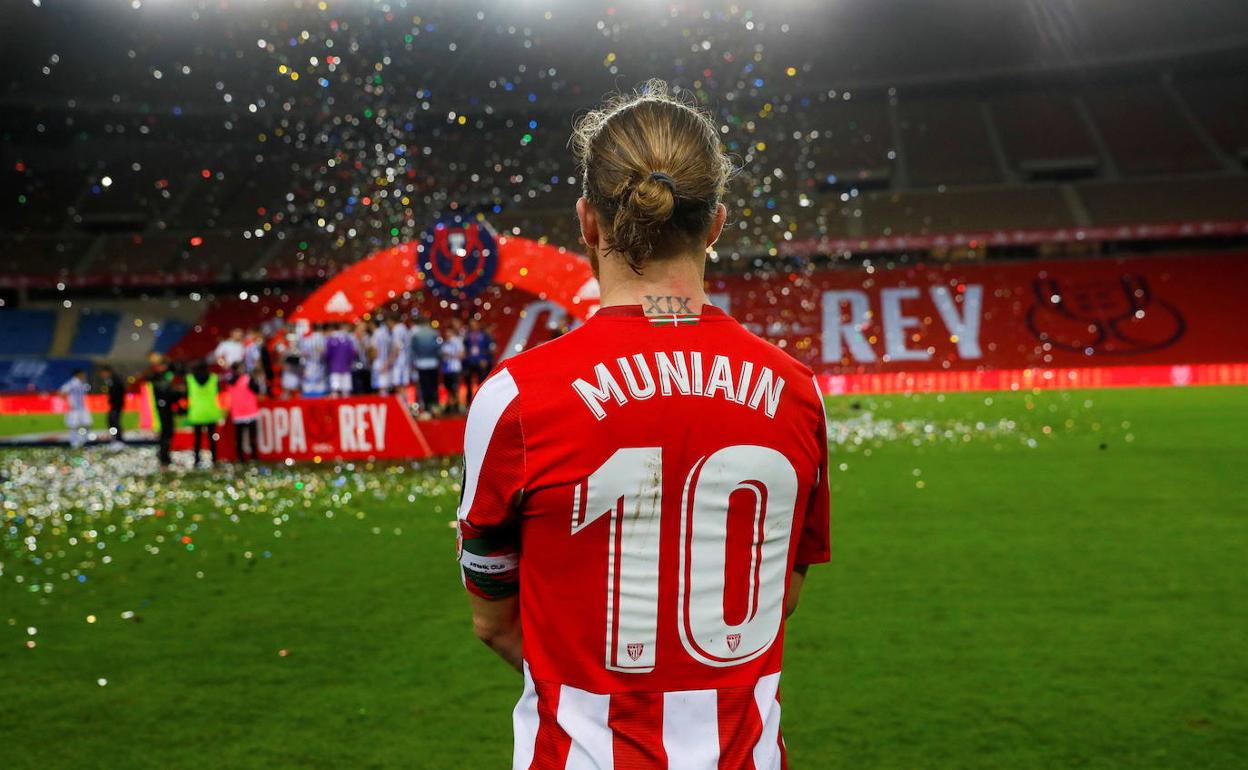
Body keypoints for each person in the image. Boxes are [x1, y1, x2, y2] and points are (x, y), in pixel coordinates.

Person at [457, 82, 830, 768]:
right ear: (715, 224)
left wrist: (601, 695)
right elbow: (784, 596)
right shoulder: (794, 392)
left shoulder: (514, 398)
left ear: (587, 223)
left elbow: (493, 619)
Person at [185, 359, 223, 468]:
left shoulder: (190, 379)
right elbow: (218, 391)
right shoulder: (213, 379)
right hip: (211, 412)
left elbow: (186, 394)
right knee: (212, 439)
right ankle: (214, 459)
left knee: (197, 439)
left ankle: (197, 459)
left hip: (197, 413)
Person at [147, 354, 181, 467]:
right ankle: (164, 457)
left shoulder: (163, 376)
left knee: (167, 433)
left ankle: (164, 455)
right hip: (163, 408)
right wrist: (177, 393)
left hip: (164, 407)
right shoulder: (159, 377)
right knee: (166, 432)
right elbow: (167, 393)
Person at [227, 362, 260, 462]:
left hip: (240, 413)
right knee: (248, 437)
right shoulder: (247, 379)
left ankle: (243, 457)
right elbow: (257, 389)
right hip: (248, 412)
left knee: (242, 437)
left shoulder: (231, 381)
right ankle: (251, 456)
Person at [409, 315, 442, 414]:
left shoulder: (416, 334)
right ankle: (434, 406)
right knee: (433, 385)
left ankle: (426, 407)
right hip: (433, 363)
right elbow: (438, 347)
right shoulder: (434, 333)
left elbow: (413, 349)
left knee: (424, 386)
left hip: (421, 363)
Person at [462, 318, 496, 404]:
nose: (473, 326)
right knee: (468, 384)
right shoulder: (467, 336)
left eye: (474, 324)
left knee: (481, 383)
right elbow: (464, 349)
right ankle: (468, 404)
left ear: (478, 325)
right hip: (470, 362)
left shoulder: (484, 335)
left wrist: (485, 359)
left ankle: (482, 402)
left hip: (481, 362)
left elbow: (489, 348)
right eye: (471, 324)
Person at [59, 368, 91, 449]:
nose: (84, 375)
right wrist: (70, 402)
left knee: (87, 424)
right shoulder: (72, 383)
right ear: (78, 374)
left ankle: (83, 441)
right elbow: (61, 392)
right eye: (83, 374)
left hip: (82, 408)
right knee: (74, 426)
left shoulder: (82, 382)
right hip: (74, 409)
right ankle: (74, 443)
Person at [325, 322, 358, 397]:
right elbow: (352, 354)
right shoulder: (348, 339)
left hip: (334, 368)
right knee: (346, 392)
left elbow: (327, 355)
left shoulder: (331, 339)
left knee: (335, 391)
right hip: (346, 368)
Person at [439, 319, 465, 414]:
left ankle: (457, 406)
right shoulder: (445, 342)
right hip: (446, 370)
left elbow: (462, 355)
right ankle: (450, 405)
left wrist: (450, 355)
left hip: (454, 368)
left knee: (455, 388)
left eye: (448, 332)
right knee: (448, 388)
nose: (447, 333)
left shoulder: (457, 341)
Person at [98, 364, 126, 443]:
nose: (102, 375)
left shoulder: (114, 380)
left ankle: (118, 440)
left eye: (103, 373)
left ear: (108, 372)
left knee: (113, 422)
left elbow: (119, 392)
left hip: (116, 405)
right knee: (112, 421)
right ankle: (116, 439)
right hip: (116, 405)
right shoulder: (112, 380)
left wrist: (114, 401)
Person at [299, 323, 328, 396]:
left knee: (312, 384)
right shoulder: (321, 337)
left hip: (312, 364)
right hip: (315, 364)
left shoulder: (306, 338)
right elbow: (324, 351)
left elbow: (303, 353)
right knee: (316, 384)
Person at [388, 314, 412, 402]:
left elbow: (397, 348)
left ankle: (402, 407)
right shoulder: (404, 328)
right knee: (402, 386)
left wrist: (389, 361)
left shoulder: (397, 329)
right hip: (405, 362)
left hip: (399, 362)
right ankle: (404, 406)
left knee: (398, 385)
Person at [369, 316, 393, 395]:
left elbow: (374, 349)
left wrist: (371, 360)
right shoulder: (388, 333)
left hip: (378, 362)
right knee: (385, 386)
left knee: (381, 387)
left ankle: (384, 403)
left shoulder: (376, 333)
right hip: (388, 362)